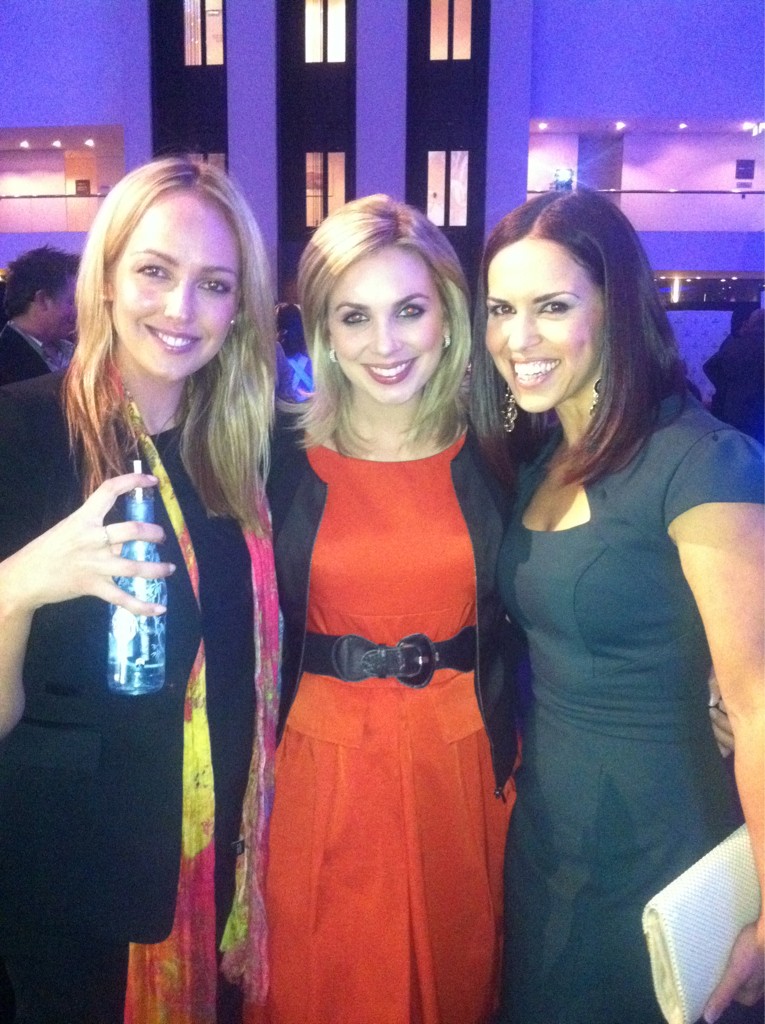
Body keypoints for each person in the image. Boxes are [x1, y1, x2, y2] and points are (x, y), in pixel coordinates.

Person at [469, 187, 764, 1024]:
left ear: (616, 309)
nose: (517, 338)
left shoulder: (700, 462)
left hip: (664, 849)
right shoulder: (537, 461)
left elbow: (756, 702)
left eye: (551, 307)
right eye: (500, 310)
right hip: (548, 842)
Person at [0, 157, 279, 1024]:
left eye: (214, 284)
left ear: (239, 308)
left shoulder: (245, 455)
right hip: (66, 878)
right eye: (155, 271)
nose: (181, 308)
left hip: (219, 859)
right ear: (107, 279)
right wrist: (18, 586)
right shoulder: (19, 431)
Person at [260, 194, 518, 1024]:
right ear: (322, 332)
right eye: (354, 316)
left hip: (462, 769)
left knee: (455, 984)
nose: (384, 344)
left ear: (448, 316)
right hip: (315, 774)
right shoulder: (271, 457)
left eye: (408, 310)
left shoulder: (505, 452)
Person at [0, 245, 79, 386]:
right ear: (42, 300)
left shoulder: (74, 347)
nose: (78, 311)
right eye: (71, 302)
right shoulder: (5, 365)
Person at [704, 307, 764, 446]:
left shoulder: (733, 343)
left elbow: (709, 366)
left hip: (731, 408)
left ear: (750, 323)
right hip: (758, 411)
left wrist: (725, 385)